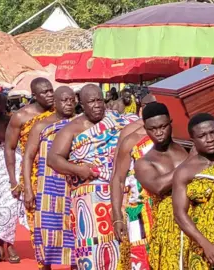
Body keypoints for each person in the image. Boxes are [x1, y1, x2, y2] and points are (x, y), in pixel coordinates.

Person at [47, 84, 138, 269]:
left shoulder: (117, 119)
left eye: (99, 100)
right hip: (88, 197)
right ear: (82, 104)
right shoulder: (73, 128)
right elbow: (53, 159)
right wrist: (79, 170)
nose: (97, 105)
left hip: (120, 191)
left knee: (124, 240)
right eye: (91, 102)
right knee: (92, 246)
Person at [22, 87, 77, 269]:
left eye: (72, 100)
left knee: (74, 231)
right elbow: (28, 157)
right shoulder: (41, 125)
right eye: (64, 100)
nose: (69, 103)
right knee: (45, 233)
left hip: (73, 185)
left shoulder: (80, 123)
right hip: (48, 186)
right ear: (55, 102)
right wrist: (28, 189)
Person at [134, 103, 189, 269]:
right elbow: (158, 186)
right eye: (153, 129)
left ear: (170, 123)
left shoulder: (187, 147)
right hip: (169, 224)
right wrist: (192, 163)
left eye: (163, 126)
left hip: (200, 216)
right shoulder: (144, 162)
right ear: (145, 129)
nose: (159, 133)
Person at [4, 77, 55, 257]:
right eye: (45, 92)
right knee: (36, 218)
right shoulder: (20, 116)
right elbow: (9, 148)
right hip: (33, 173)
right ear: (34, 95)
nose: (50, 95)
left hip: (59, 172)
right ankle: (43, 259)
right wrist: (13, 181)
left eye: (51, 90)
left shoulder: (61, 112)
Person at [172, 113, 214, 269]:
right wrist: (205, 244)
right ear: (193, 140)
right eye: (202, 135)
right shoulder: (185, 171)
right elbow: (179, 214)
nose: (210, 139)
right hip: (201, 243)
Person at [110, 106, 154, 269]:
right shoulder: (131, 139)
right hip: (138, 212)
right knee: (139, 261)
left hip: (165, 210)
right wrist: (117, 216)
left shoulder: (173, 137)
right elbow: (118, 178)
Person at [0, 94, 22, 264]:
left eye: (0, 102)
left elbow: (7, 138)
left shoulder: (10, 120)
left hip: (5, 166)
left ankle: (9, 246)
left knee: (6, 207)